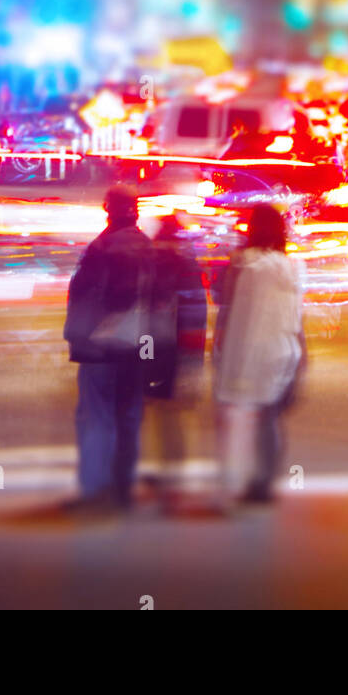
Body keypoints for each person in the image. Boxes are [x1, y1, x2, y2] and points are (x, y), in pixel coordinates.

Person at [64, 184, 155, 513]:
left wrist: (79, 339)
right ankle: (122, 490)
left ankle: (95, 492)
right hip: (138, 344)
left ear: (108, 208)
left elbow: (86, 297)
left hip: (101, 345)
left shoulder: (102, 247)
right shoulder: (147, 246)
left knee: (97, 417)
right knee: (128, 416)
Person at [212, 206, 304, 507]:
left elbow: (225, 307)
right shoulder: (291, 266)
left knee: (236, 416)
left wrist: (218, 349)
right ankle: (263, 483)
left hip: (246, 349)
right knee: (269, 418)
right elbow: (297, 316)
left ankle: (237, 482)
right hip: (283, 350)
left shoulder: (242, 264)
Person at [144, 214, 209, 511]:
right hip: (179, 349)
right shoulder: (187, 265)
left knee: (159, 413)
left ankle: (165, 474)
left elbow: (143, 315)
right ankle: (173, 476)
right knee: (173, 415)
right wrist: (194, 359)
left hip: (156, 349)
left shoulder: (152, 264)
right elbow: (196, 311)